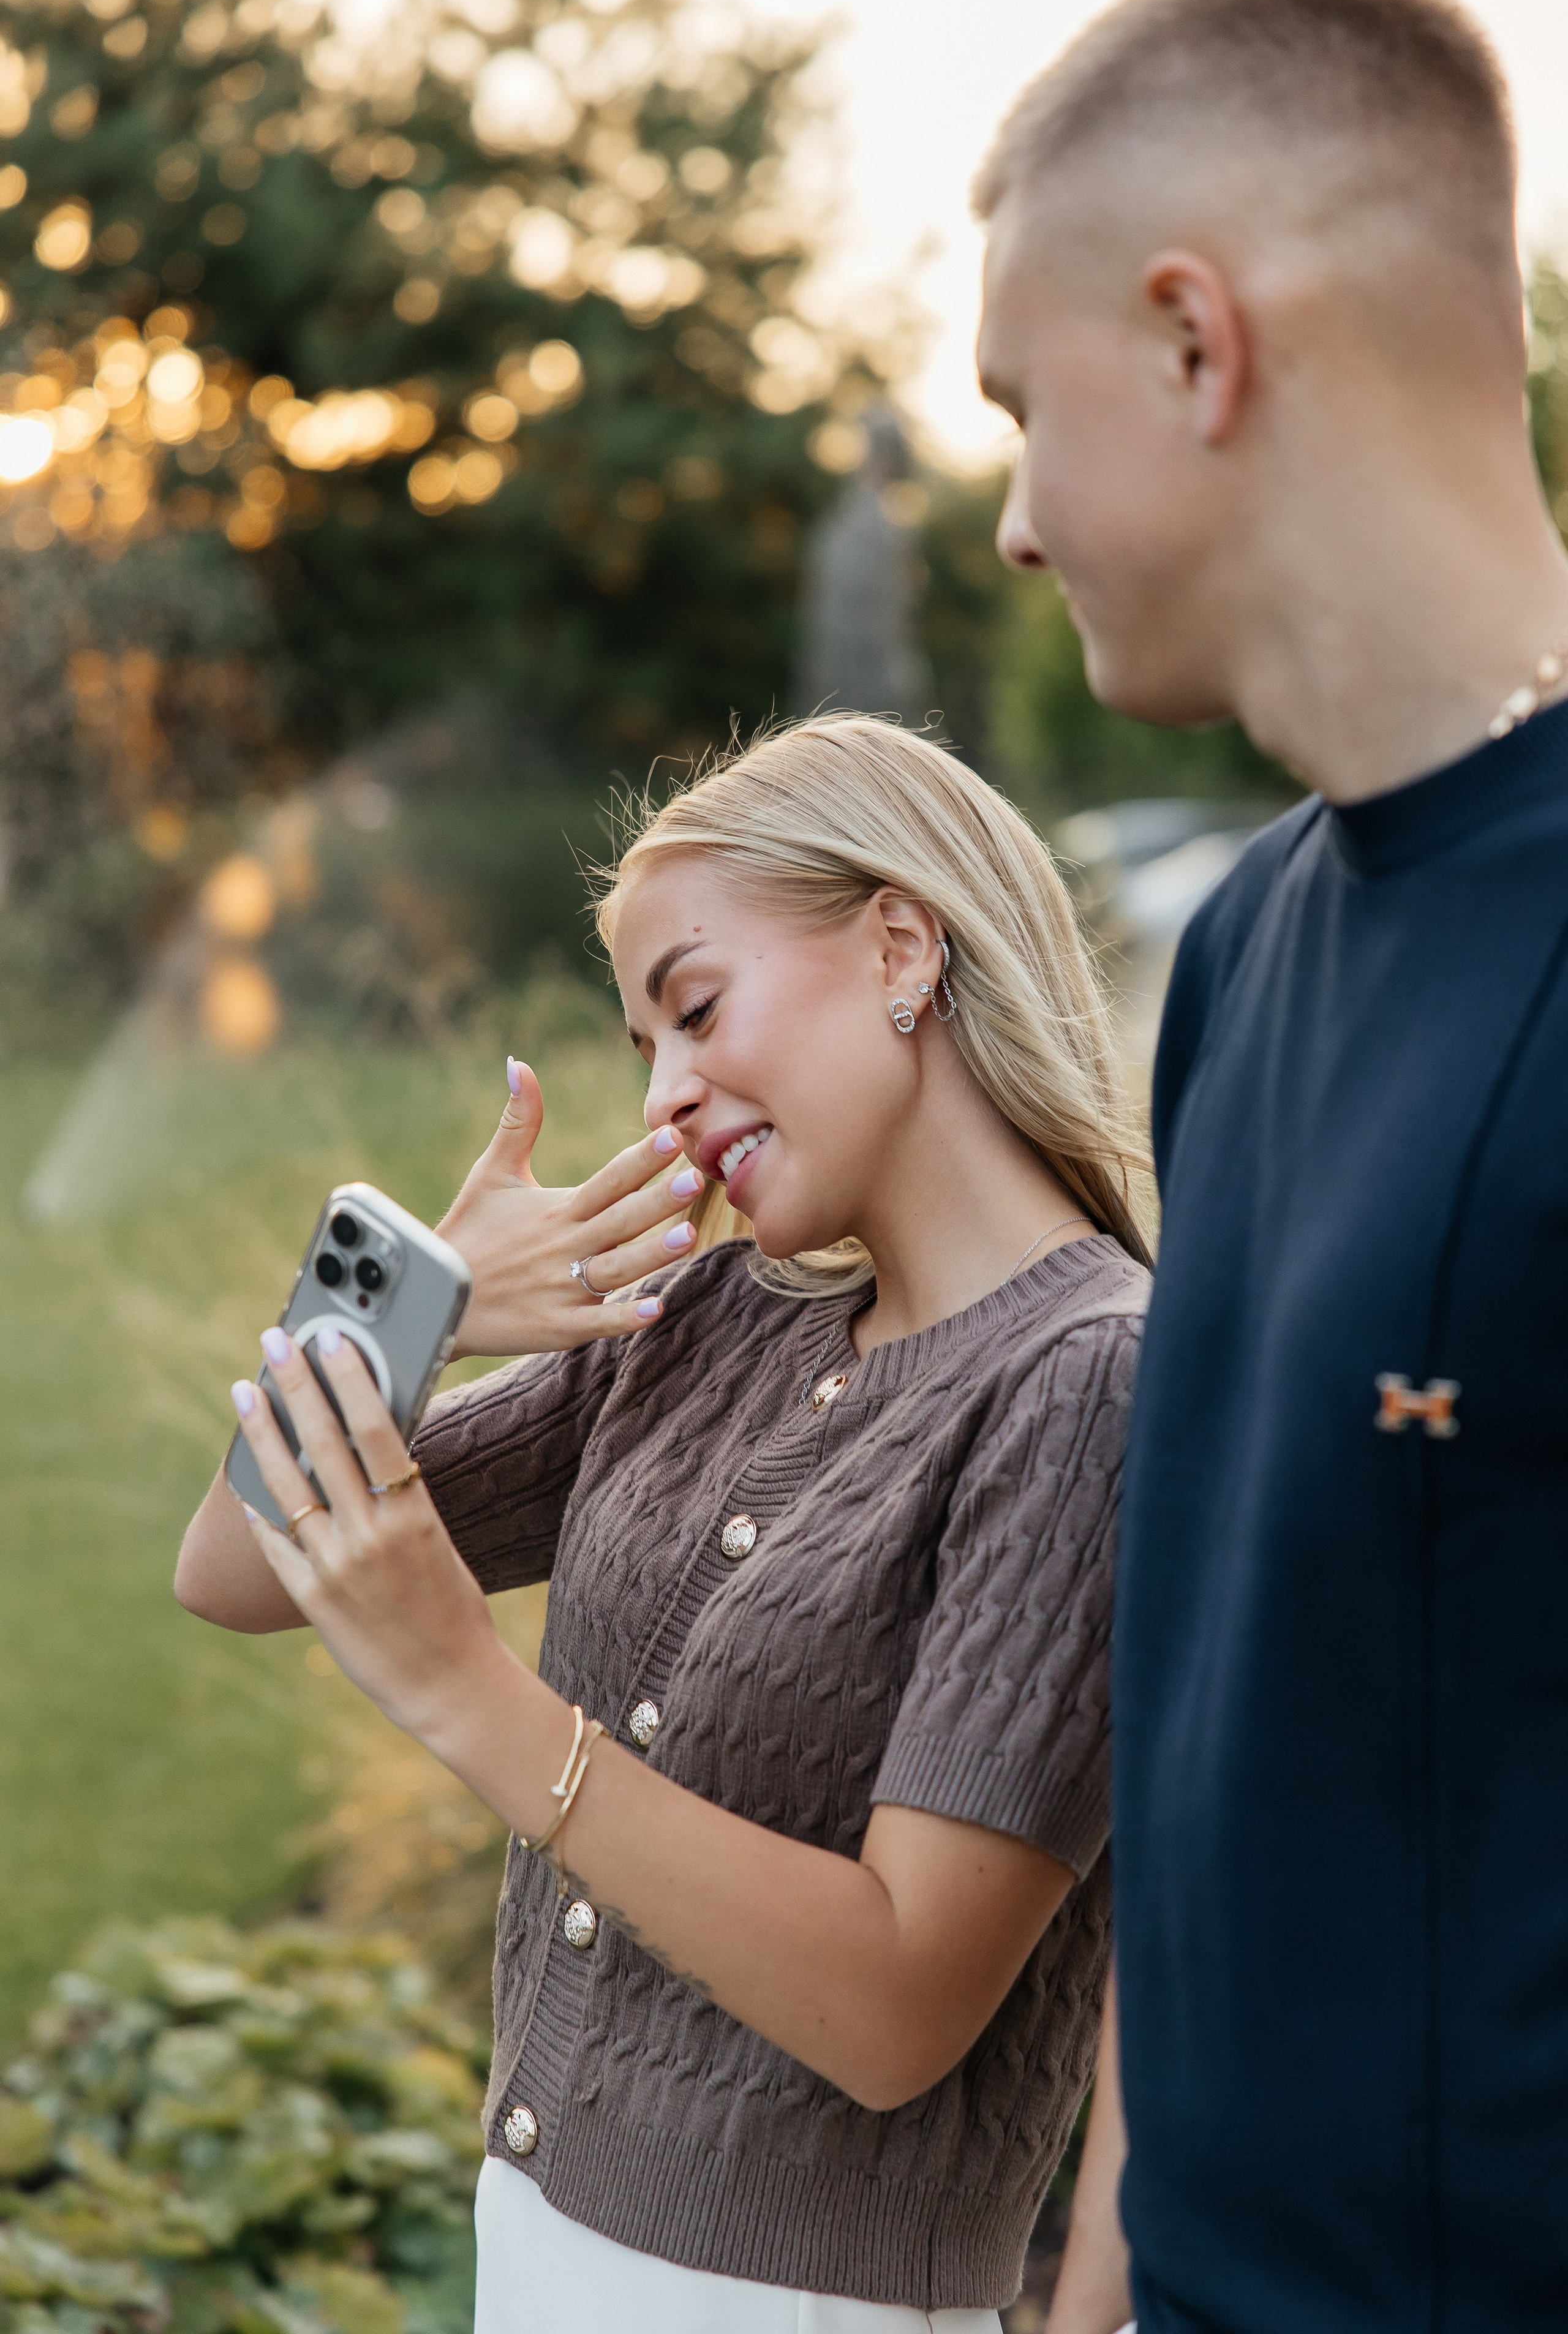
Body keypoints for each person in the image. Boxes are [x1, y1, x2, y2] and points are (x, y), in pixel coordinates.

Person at [174, 715, 1151, 2331]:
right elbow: (235, 1564)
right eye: (645, 1047)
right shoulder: (710, 1321)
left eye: (696, 1009)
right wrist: (429, 1311)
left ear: (902, 944)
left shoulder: (1087, 1380)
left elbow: (900, 2005)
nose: (672, 1096)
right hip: (544, 2248)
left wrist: (471, 1695)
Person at [971, 0, 1568, 2330]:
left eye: (1023, 413)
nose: (1011, 523)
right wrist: (1099, 2277)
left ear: (1194, 343)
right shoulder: (1240, 954)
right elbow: (1214, 1723)